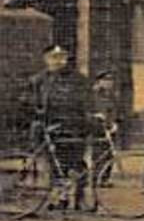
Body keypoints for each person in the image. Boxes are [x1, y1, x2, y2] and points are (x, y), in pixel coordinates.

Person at [30, 46, 91, 207]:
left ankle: (79, 197)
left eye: (61, 57)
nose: (58, 61)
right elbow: (32, 103)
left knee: (77, 164)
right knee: (53, 165)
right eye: (53, 57)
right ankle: (58, 197)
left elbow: (87, 103)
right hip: (50, 129)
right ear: (46, 59)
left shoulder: (79, 80)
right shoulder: (38, 80)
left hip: (74, 128)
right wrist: (39, 117)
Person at [88, 72, 120, 186]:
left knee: (109, 153)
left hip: (110, 128)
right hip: (96, 128)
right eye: (105, 80)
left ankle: (104, 179)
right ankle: (95, 178)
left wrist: (114, 123)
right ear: (99, 81)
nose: (109, 83)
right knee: (97, 154)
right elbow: (86, 110)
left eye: (111, 81)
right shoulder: (92, 94)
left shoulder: (112, 96)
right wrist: (95, 116)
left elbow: (115, 111)